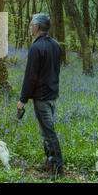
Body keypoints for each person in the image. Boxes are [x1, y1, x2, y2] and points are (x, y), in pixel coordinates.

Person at [17, 13, 64, 180]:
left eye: (31, 24)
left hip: (42, 97)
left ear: (37, 27)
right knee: (45, 132)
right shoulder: (56, 45)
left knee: (48, 133)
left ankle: (58, 168)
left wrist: (23, 100)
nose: (30, 27)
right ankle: (49, 162)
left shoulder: (36, 48)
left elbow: (31, 77)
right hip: (52, 95)